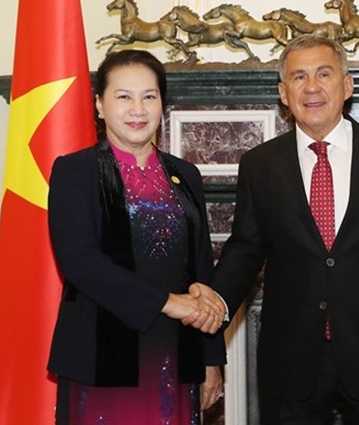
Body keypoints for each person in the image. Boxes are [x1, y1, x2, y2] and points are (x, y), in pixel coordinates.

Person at [189, 34, 359, 424]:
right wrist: (216, 304)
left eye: (324, 74)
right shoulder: (260, 164)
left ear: (347, 84)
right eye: (299, 77)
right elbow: (245, 250)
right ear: (283, 93)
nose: (312, 87)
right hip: (291, 359)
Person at [46, 49, 226, 425]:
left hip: (176, 357)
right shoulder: (75, 172)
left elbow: (202, 272)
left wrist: (211, 359)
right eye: (123, 97)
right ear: (99, 104)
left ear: (162, 103)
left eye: (149, 96)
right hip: (104, 354)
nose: (137, 110)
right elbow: (81, 264)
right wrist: (168, 302)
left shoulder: (185, 174)